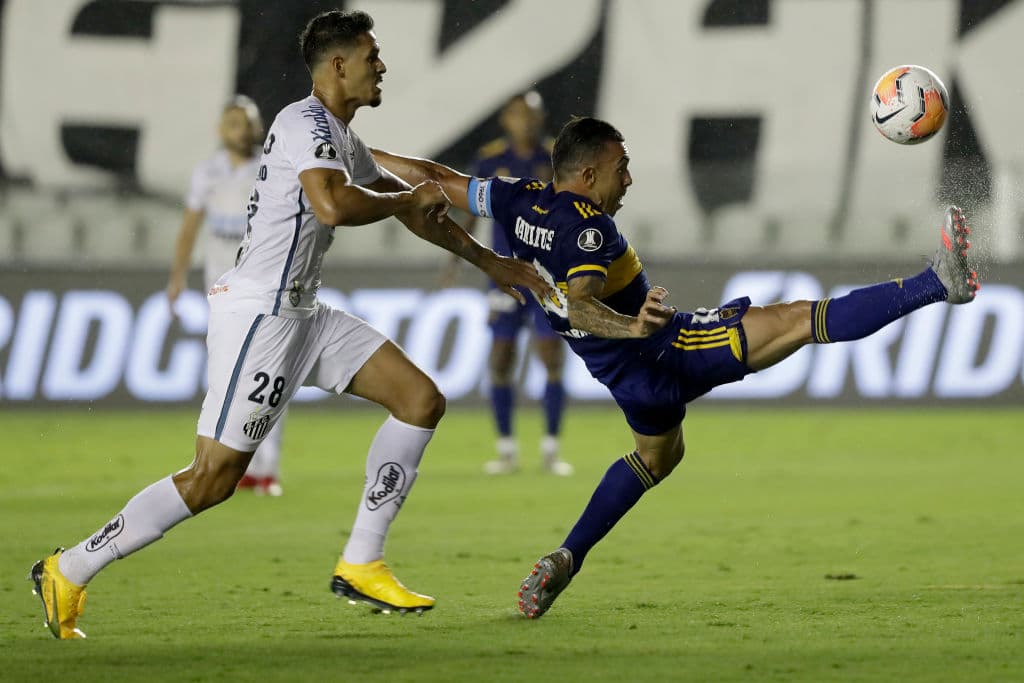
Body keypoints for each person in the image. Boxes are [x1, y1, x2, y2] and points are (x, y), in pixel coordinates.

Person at [29, 9, 549, 639]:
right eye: (371, 56)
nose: (381, 66)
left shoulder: (339, 135)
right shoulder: (302, 122)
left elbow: (415, 208)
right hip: (262, 318)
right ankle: (69, 567)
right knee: (213, 478)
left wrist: (493, 263)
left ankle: (362, 560)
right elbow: (333, 205)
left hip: (303, 312)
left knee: (419, 399)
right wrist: (408, 199)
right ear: (337, 65)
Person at [371, 115, 982, 619]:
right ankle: (938, 283)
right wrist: (633, 325)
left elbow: (428, 176)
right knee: (799, 318)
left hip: (623, 380)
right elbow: (581, 303)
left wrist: (348, 147)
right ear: (587, 174)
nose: (629, 179)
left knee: (658, 458)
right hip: (666, 350)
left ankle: (566, 557)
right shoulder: (591, 233)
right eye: (620, 168)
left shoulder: (514, 199)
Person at [441, 92, 571, 476]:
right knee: (501, 358)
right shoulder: (490, 158)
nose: (526, 121)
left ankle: (550, 448)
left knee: (551, 357)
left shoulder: (554, 158)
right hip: (505, 276)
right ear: (506, 120)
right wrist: (455, 259)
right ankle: (506, 449)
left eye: (532, 114)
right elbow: (468, 212)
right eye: (518, 115)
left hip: (548, 276)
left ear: (541, 117)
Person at [166, 95, 287, 496]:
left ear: (257, 127)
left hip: (263, 277)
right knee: (225, 370)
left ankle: (266, 468)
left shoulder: (272, 166)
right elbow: (189, 228)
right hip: (220, 283)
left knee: (269, 367)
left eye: (246, 122)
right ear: (221, 129)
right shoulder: (208, 172)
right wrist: (177, 277)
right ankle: (230, 462)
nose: (240, 129)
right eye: (232, 122)